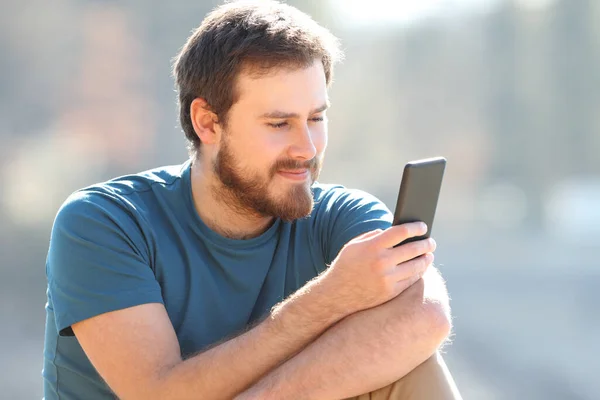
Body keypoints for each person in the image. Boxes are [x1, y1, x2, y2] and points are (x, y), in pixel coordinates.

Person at [42, 1, 462, 399]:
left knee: (408, 361)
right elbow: (157, 393)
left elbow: (425, 316)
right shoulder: (105, 223)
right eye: (279, 123)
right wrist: (330, 298)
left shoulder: (342, 217)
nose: (307, 148)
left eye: (316, 118)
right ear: (207, 122)